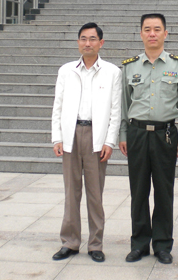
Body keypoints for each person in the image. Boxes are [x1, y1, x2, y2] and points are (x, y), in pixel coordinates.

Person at [119, 13, 178, 265]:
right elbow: (124, 104)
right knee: (138, 191)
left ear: (165, 33)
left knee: (164, 191)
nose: (152, 33)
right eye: (147, 29)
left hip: (165, 134)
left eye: (157, 29)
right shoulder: (129, 66)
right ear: (141, 33)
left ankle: (162, 244)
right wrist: (123, 134)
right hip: (137, 133)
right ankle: (139, 244)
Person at [51, 22, 122, 263]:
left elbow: (116, 110)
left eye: (92, 39)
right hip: (71, 135)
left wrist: (110, 141)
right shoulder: (66, 70)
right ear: (78, 42)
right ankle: (70, 242)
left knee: (95, 193)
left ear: (101, 43)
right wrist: (57, 137)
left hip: (96, 136)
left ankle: (95, 244)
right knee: (71, 192)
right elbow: (58, 106)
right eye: (83, 38)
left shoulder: (112, 72)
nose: (87, 43)